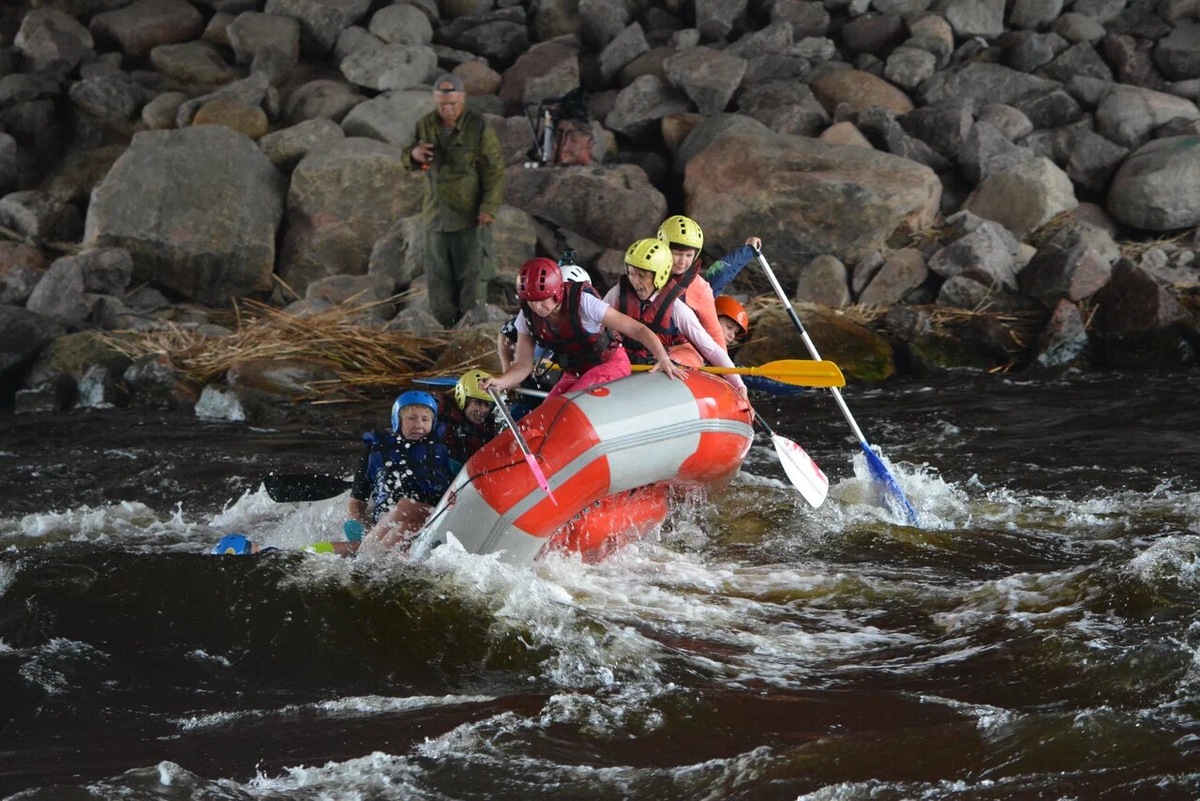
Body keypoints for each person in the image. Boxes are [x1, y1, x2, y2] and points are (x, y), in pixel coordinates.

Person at [484, 257, 686, 399]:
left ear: (557, 293)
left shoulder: (584, 304)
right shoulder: (526, 316)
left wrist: (663, 358)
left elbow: (637, 329)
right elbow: (522, 366)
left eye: (542, 300)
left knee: (569, 406)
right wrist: (500, 382)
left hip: (609, 364)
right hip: (575, 373)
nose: (537, 307)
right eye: (531, 301)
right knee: (548, 411)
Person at [407, 73, 506, 329]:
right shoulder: (425, 124)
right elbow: (407, 157)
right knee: (438, 281)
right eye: (442, 104)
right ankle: (446, 333)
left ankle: (471, 334)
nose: (447, 110)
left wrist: (488, 207)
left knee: (472, 280)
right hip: (435, 216)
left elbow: (494, 170)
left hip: (468, 216)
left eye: (452, 104)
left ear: (462, 99)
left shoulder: (478, 126)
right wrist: (414, 155)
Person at [603, 239, 747, 396]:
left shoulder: (677, 308)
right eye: (631, 273)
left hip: (659, 364)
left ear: (660, 275)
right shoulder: (618, 293)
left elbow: (712, 350)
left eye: (642, 275)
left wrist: (739, 385)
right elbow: (595, 323)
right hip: (624, 360)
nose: (635, 281)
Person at [350, 389, 455, 550]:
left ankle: (367, 554)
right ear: (397, 420)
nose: (419, 425)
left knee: (409, 518)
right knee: (406, 511)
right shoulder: (375, 448)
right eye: (411, 418)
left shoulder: (441, 449)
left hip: (431, 516)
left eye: (425, 419)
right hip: (387, 520)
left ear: (433, 422)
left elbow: (456, 480)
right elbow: (357, 500)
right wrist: (357, 524)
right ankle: (370, 552)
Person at [656, 214, 762, 350]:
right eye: (677, 253)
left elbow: (722, 272)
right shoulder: (644, 274)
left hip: (678, 352)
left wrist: (747, 251)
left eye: (688, 255)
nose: (682, 261)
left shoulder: (698, 287)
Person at [436, 369, 499, 470]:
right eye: (477, 402)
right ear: (463, 399)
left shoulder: (487, 427)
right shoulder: (441, 414)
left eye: (487, 404)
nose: (482, 410)